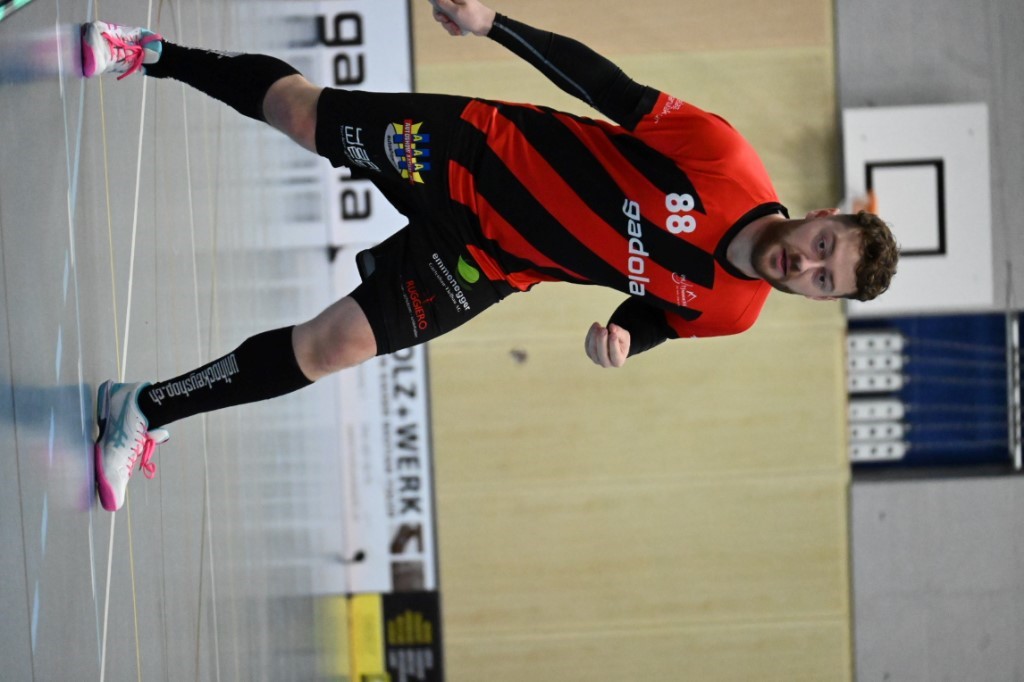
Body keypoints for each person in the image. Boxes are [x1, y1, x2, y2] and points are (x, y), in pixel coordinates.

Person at [82, 0, 899, 511]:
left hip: (491, 261)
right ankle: (150, 53)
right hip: (474, 150)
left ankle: (143, 410)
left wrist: (624, 336)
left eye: (823, 280)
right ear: (822, 215)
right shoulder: (725, 158)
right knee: (304, 115)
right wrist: (494, 24)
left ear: (821, 301)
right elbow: (606, 88)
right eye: (823, 246)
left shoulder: (735, 312)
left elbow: (659, 314)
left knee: (331, 347)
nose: (807, 265)